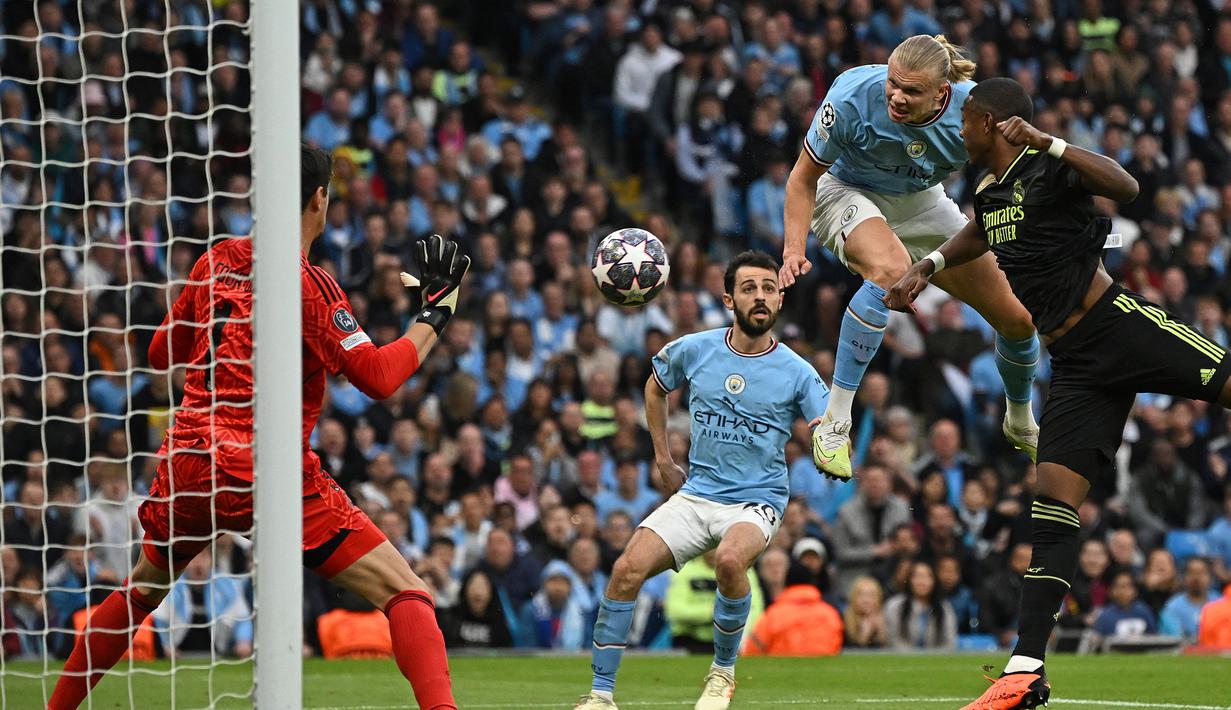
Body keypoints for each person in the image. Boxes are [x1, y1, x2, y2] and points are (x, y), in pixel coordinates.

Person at [49, 145, 470, 710]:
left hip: (190, 459)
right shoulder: (309, 284)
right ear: (319, 199)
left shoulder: (215, 260)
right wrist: (434, 313)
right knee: (407, 592)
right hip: (263, 466)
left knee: (141, 591)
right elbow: (377, 377)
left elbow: (157, 351)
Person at [886, 77, 1231, 710]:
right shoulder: (989, 192)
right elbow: (979, 234)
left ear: (990, 123)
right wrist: (926, 266)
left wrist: (1053, 142)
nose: (959, 130)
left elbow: (1126, 187)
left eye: (966, 119)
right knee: (1052, 503)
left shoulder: (1050, 167)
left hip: (1120, 327)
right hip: (1073, 362)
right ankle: (1024, 671)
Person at [574, 251, 829, 710]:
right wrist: (663, 459)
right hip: (697, 494)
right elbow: (655, 385)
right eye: (749, 288)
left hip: (757, 500)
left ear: (780, 301)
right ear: (729, 297)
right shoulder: (695, 348)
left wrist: (830, 445)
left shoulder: (798, 371)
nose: (760, 297)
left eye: (769, 288)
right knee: (625, 570)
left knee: (730, 561)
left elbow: (823, 425)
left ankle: (722, 673)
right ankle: (600, 696)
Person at [780, 35, 1040, 481]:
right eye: (893, 85)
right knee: (889, 271)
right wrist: (792, 250)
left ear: (942, 93)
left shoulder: (976, 114)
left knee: (1018, 319)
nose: (897, 97)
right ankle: (836, 423)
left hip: (921, 200)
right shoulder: (850, 97)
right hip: (843, 191)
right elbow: (802, 179)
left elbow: (1014, 184)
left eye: (912, 91)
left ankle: (1020, 420)